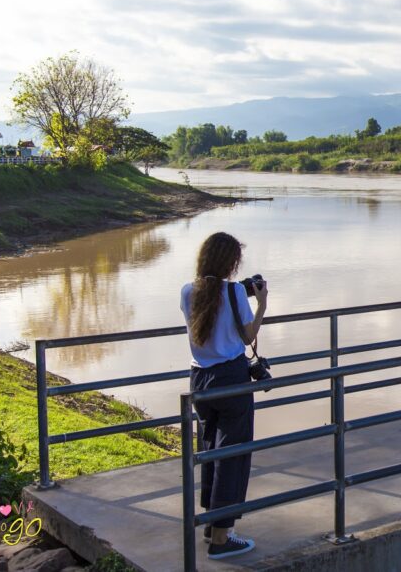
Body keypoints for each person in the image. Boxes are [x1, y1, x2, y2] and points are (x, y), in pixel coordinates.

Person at [180, 232, 267, 560]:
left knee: (209, 450)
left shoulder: (188, 291)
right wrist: (262, 305)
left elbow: (204, 325)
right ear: (229, 262)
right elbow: (247, 337)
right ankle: (222, 538)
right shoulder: (234, 293)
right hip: (231, 379)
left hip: (200, 380)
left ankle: (210, 522)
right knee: (233, 454)